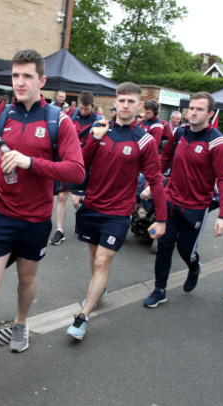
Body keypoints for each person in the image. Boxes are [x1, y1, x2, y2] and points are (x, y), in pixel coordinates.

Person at [0, 49, 84, 395]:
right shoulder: (0, 113)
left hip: (36, 220)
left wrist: (29, 162)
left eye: (26, 76)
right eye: (15, 76)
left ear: (42, 80)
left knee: (27, 278)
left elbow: (77, 170)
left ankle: (21, 322)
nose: (19, 83)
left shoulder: (59, 120)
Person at [66, 82, 167, 340]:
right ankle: (100, 290)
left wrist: (163, 219)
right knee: (94, 257)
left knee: (102, 260)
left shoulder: (143, 140)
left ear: (138, 106)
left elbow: (155, 179)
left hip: (118, 212)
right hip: (91, 207)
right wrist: (78, 192)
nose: (125, 105)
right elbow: (81, 162)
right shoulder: (100, 129)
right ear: (115, 102)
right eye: (121, 100)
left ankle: (83, 316)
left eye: (130, 101)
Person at [142, 92, 223, 308]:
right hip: (170, 200)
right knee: (164, 246)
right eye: (191, 108)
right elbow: (164, 160)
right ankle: (159, 289)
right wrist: (150, 184)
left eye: (199, 109)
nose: (193, 112)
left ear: (210, 113)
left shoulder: (217, 142)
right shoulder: (180, 132)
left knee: (185, 250)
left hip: (196, 208)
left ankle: (194, 268)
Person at [50, 90, 101, 245]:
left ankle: (81, 221)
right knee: (62, 196)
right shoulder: (70, 113)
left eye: (87, 108)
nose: (84, 111)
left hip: (85, 164)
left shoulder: (98, 120)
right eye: (82, 107)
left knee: (75, 200)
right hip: (67, 161)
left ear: (92, 105)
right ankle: (59, 231)